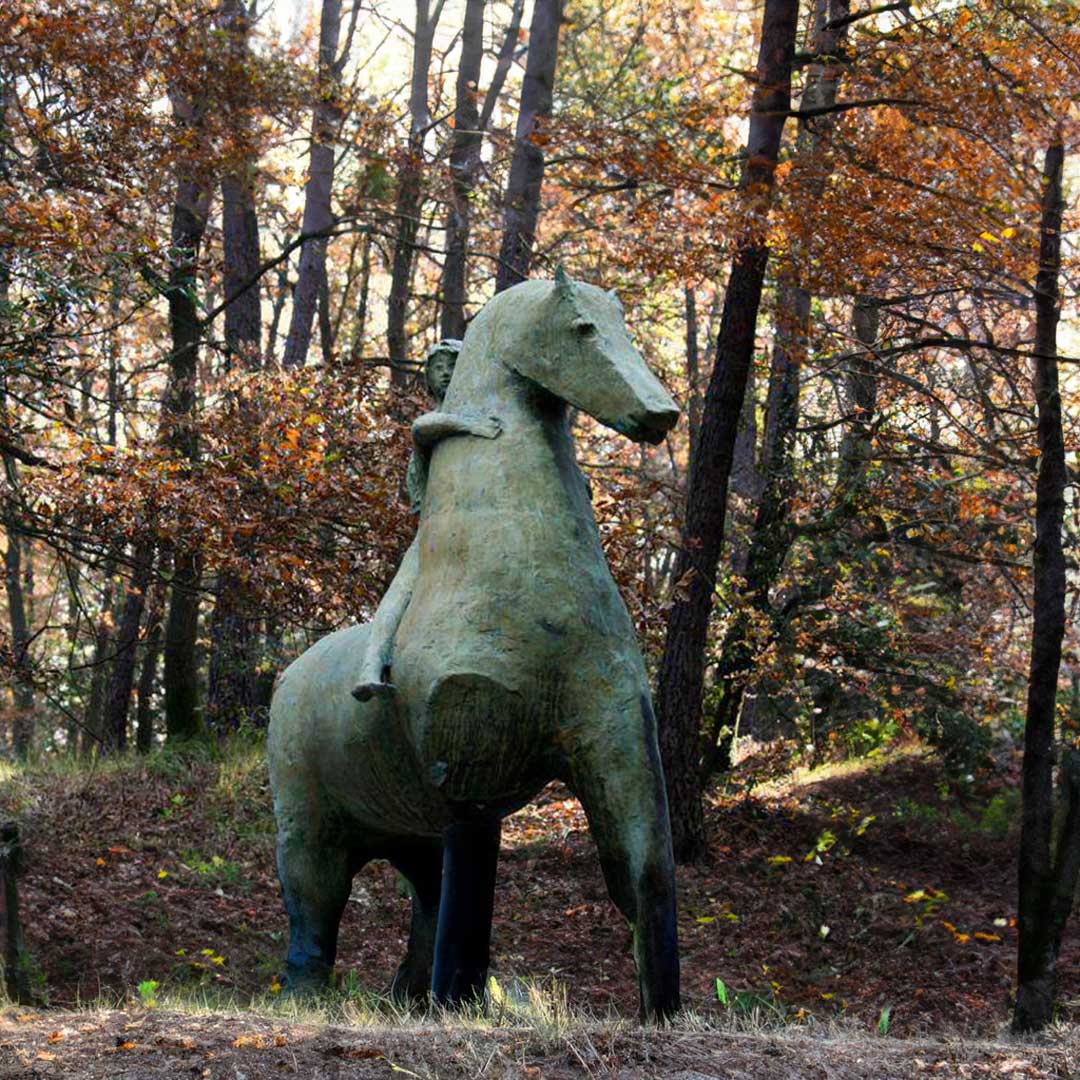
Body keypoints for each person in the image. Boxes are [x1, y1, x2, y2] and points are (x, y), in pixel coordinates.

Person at [352, 339, 462, 702]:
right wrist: (472, 425)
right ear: (428, 380)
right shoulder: (438, 421)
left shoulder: (494, 419)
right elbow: (424, 428)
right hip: (435, 527)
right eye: (437, 367)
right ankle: (371, 664)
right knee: (401, 589)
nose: (445, 372)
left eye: (452, 365)